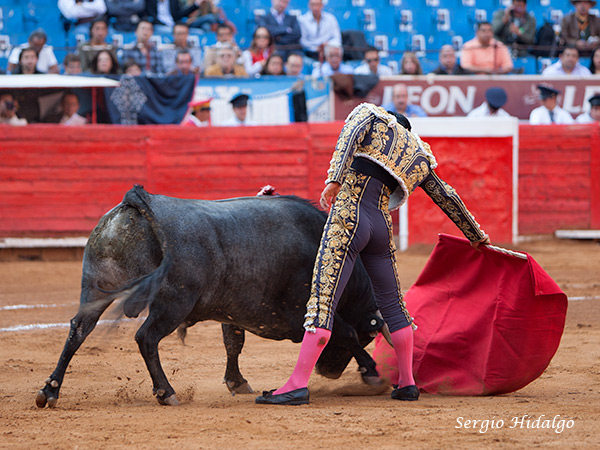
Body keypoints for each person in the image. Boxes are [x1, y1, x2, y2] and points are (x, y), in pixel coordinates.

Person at [255, 104, 489, 406]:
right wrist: (476, 236)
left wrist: (335, 179)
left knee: (324, 299)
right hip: (380, 224)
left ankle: (297, 385)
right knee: (394, 304)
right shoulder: (417, 153)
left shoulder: (372, 115)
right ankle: (407, 383)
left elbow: (351, 133)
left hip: (350, 214)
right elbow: (446, 195)